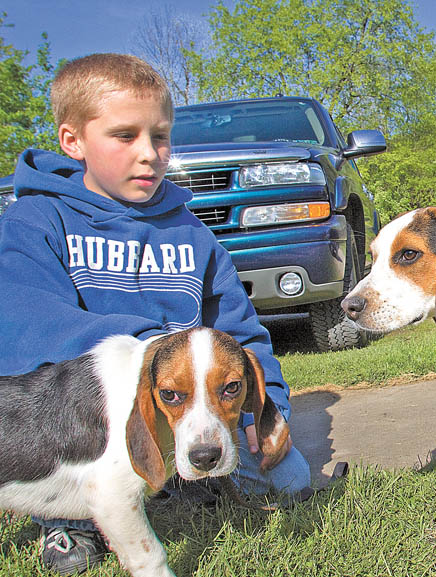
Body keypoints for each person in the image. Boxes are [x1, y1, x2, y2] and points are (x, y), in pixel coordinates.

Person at [0, 53, 310, 574]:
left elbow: (239, 332)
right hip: (88, 418)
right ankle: (68, 522)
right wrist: (154, 350)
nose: (150, 154)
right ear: (72, 141)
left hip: (194, 404)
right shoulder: (36, 218)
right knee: (96, 468)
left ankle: (181, 482)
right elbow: (24, 322)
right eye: (125, 136)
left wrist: (268, 408)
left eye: (161, 136)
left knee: (292, 479)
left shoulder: (192, 232)